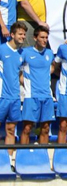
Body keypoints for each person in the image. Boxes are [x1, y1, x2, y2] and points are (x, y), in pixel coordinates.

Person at [20, 25, 54, 145]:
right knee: (27, 128)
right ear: (35, 38)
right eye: (42, 37)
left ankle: (43, 157)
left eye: (46, 37)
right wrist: (26, 84)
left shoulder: (49, 53)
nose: (45, 40)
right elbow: (18, 72)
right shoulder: (25, 52)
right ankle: (22, 157)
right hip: (31, 96)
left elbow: (53, 67)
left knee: (45, 129)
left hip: (47, 96)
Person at [0, 22, 26, 160]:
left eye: (24, 34)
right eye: (20, 34)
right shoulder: (2, 49)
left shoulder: (22, 53)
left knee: (11, 129)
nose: (23, 36)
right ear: (12, 35)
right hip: (1, 96)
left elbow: (20, 75)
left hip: (15, 97)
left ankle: (9, 160)